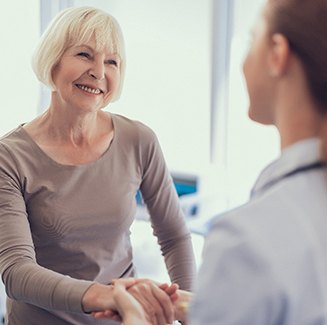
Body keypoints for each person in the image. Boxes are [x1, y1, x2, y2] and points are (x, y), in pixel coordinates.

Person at [106, 0, 327, 324]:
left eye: (252, 38)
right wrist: (205, 305)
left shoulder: (247, 241)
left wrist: (136, 318)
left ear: (278, 53)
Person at [0, 6, 196, 325]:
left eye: (111, 62)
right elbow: (17, 272)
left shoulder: (139, 140)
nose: (98, 72)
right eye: (84, 55)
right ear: (54, 60)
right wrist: (105, 295)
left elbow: (174, 236)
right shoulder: (9, 157)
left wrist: (189, 311)